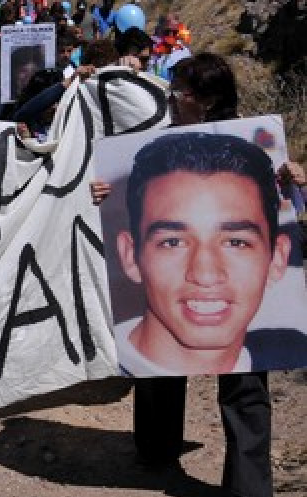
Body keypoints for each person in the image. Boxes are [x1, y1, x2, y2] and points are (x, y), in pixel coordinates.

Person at [106, 53, 288, 497]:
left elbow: (285, 202)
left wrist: (295, 182)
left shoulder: (255, 143)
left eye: (180, 92)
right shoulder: (155, 139)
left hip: (250, 313)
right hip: (161, 303)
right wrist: (103, 192)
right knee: (161, 347)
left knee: (246, 381)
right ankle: (156, 449)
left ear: (206, 100)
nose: (172, 99)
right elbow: (124, 199)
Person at [115, 131, 291, 376]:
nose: (205, 275)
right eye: (173, 242)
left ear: (277, 258)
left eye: (236, 242)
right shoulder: (94, 362)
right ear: (131, 256)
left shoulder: (290, 352)